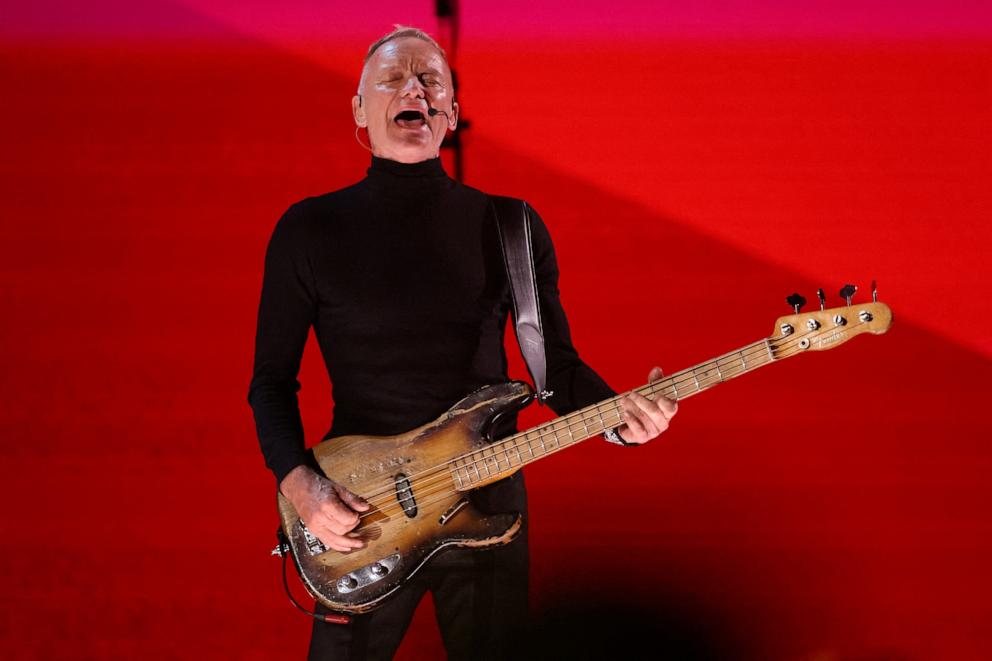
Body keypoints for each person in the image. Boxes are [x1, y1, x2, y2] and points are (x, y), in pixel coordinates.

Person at [248, 26, 678, 660]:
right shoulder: (308, 229)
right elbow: (271, 383)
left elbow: (553, 369)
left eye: (430, 80)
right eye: (392, 78)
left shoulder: (511, 226)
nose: (413, 88)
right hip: (361, 508)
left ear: (450, 111)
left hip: (488, 504)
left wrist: (620, 420)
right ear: (360, 110)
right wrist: (301, 487)